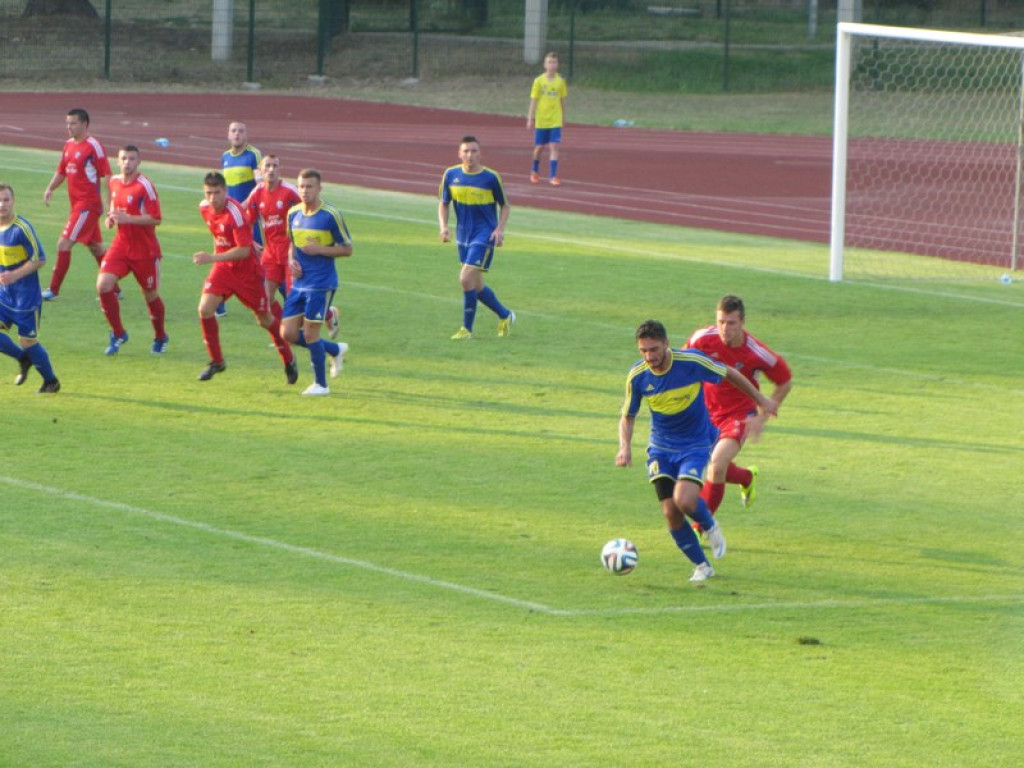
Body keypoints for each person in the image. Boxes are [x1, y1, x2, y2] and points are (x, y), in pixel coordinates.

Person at [616, 320, 777, 582]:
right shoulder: (638, 376)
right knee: (670, 512)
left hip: (695, 444)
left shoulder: (690, 362)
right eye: (643, 351)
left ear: (666, 344)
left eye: (654, 349)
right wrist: (625, 447)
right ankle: (702, 566)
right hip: (660, 448)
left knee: (686, 500)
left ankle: (710, 526)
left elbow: (730, 374)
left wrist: (762, 401)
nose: (649, 357)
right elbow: (628, 415)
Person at [687, 295, 792, 521]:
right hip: (705, 414)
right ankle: (746, 477)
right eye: (721, 322)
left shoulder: (756, 352)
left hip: (739, 415)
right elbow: (685, 365)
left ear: (742, 323)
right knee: (716, 464)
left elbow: (785, 380)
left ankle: (698, 528)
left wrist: (761, 418)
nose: (725, 329)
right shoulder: (702, 339)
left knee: (716, 465)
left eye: (731, 323)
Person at [192, 171, 297, 384]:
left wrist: (212, 256)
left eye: (217, 193)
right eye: (208, 193)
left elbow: (243, 251)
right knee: (204, 309)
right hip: (223, 269)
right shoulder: (204, 208)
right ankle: (216, 361)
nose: (212, 198)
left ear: (226, 191)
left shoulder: (235, 212)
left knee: (264, 319)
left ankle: (288, 358)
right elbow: (221, 236)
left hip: (247, 273)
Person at [243, 154, 339, 338]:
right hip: (270, 253)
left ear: (280, 170)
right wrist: (251, 242)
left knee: (295, 299)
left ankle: (327, 315)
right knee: (266, 298)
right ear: (261, 171)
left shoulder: (289, 191)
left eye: (275, 166)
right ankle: (285, 331)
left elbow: (310, 209)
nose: (271, 170)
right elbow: (248, 221)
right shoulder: (256, 193)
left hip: (291, 252)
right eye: (268, 166)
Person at [281, 168, 352, 396]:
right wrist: (291, 260)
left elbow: (347, 249)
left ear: (319, 188)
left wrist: (318, 249)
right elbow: (292, 244)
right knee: (288, 333)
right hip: (299, 282)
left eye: (309, 186)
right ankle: (334, 349)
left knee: (311, 334)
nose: (304, 191)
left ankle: (321, 385)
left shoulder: (330, 215)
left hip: (321, 283)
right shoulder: (293, 214)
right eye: (301, 186)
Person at [438, 135, 515, 340]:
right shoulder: (451, 174)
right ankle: (505, 315)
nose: (469, 155)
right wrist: (444, 227)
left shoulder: (491, 177)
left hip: (484, 234)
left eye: (473, 151)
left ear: (480, 154)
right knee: (477, 285)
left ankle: (466, 329)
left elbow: (505, 205)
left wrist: (499, 229)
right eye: (466, 151)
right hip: (464, 235)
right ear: (459, 153)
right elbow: (444, 203)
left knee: (465, 278)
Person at [98, 145, 169, 356]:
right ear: (117, 161)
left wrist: (129, 219)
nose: (127, 162)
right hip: (121, 245)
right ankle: (118, 333)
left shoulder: (144, 186)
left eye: (131, 159)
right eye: (123, 158)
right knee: (103, 285)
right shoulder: (113, 182)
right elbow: (114, 206)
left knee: (150, 294)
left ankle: (160, 336)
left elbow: (156, 218)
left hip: (145, 251)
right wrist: (110, 218)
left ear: (138, 162)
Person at [41, 107, 112, 301]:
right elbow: (62, 170)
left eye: (73, 123)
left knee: (63, 244)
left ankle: (53, 290)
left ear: (84, 124)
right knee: (96, 247)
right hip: (77, 206)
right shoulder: (68, 145)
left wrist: (109, 205)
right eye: (67, 123)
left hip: (88, 206)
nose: (69, 127)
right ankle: (114, 288)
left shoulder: (93, 146)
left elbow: (107, 175)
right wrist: (50, 188)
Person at [0, 183, 60, 393]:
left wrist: (13, 275)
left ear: (13, 201)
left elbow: (40, 259)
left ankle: (51, 381)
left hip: (26, 299)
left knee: (28, 342)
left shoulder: (22, 228)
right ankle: (23, 359)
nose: (2, 204)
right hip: (4, 297)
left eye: (6, 200)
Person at [218, 121, 264, 318]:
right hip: (230, 217)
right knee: (224, 254)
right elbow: (225, 188)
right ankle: (218, 301)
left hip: (248, 216)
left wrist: (245, 204)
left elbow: (260, 184)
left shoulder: (253, 155)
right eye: (234, 131)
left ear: (247, 135)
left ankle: (266, 296)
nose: (237, 134)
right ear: (228, 135)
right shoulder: (225, 157)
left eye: (241, 131)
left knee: (258, 256)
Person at [526, 52, 568, 186]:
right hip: (542, 120)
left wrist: (563, 117)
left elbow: (562, 100)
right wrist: (530, 118)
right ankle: (534, 170)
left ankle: (553, 176)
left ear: (557, 65)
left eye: (554, 62)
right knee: (539, 147)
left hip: (555, 119)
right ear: (545, 64)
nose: (552, 65)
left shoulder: (560, 82)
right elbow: (534, 100)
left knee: (554, 146)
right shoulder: (538, 81)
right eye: (549, 62)